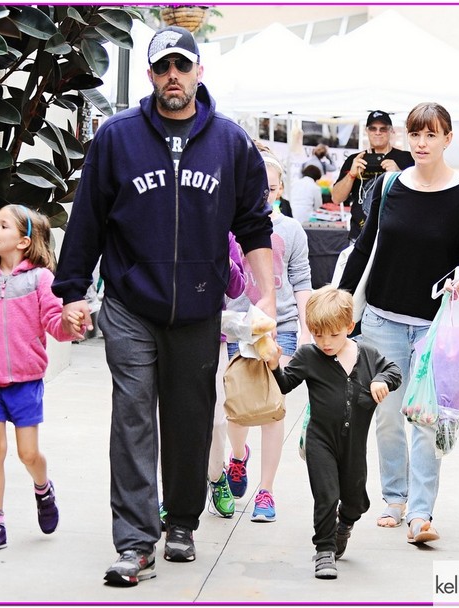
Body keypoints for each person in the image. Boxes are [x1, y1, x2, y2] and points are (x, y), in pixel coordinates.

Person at [52, 26, 276, 585]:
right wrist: (73, 292)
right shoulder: (117, 137)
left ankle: (181, 522)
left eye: (182, 65)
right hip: (130, 305)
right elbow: (88, 220)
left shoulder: (231, 142)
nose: (172, 76)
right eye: (162, 67)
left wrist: (266, 297)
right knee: (131, 418)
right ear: (150, 75)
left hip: (198, 310)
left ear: (199, 71)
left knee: (189, 417)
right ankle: (134, 541)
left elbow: (253, 225)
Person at [338, 102, 459, 544]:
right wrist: (342, 301)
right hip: (382, 321)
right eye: (415, 135)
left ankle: (421, 514)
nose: (421, 144)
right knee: (386, 417)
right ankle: (395, 499)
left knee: (423, 420)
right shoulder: (387, 186)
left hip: (433, 325)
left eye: (431, 135)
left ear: (447, 139)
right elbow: (364, 248)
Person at [0, 204, 78, 554]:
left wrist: (71, 325)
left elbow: (55, 324)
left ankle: (43, 488)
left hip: (25, 381)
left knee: (28, 454)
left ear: (23, 241)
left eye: (2, 225)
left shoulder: (41, 280)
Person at [266, 286, 401, 579]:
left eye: (334, 334)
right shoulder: (309, 355)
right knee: (326, 496)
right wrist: (276, 365)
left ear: (350, 327)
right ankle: (324, 550)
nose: (325, 342)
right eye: (318, 334)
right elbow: (286, 383)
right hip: (321, 440)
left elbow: (394, 372)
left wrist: (381, 381)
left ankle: (345, 524)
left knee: (355, 500)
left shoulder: (367, 355)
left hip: (353, 446)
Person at [225, 145, 312, 523]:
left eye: (271, 189)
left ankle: (266, 490)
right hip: (237, 325)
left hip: (284, 326)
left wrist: (307, 328)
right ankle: (238, 457)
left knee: (274, 409)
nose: (265, 195)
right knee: (237, 403)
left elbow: (301, 281)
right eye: (258, 188)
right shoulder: (227, 225)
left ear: (279, 190)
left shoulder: (291, 230)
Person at [207, 233, 245, 518]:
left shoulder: (224, 234)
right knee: (168, 417)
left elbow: (236, 287)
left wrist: (222, 255)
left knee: (218, 420)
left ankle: (216, 475)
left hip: (211, 334)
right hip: (167, 330)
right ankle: (169, 492)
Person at [332, 110, 414, 243]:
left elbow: (419, 194)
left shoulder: (407, 158)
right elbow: (336, 198)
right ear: (367, 131)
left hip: (396, 237)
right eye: (373, 128)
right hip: (360, 236)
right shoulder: (355, 159)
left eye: (383, 129)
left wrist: (399, 173)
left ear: (391, 131)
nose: (378, 132)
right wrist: (352, 175)